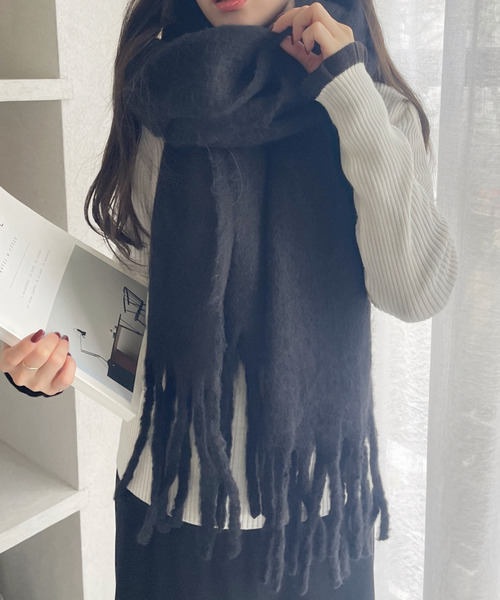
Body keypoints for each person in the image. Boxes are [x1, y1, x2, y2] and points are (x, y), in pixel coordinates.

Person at [1, 0, 458, 598]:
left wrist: (347, 92)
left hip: (313, 513)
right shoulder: (161, 104)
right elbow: (141, 302)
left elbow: (416, 291)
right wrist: (56, 359)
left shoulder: (373, 108)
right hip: (167, 503)